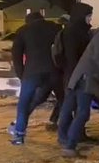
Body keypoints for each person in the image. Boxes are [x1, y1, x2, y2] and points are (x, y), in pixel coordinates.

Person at [58, 25, 99, 157]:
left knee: (69, 108)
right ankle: (70, 146)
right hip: (88, 80)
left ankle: (63, 138)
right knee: (83, 113)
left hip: (80, 78)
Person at [10, 12, 62, 145]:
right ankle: (67, 135)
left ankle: (19, 135)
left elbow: (16, 56)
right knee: (64, 100)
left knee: (24, 104)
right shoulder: (55, 28)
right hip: (54, 71)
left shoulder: (23, 31)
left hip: (32, 72)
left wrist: (22, 75)